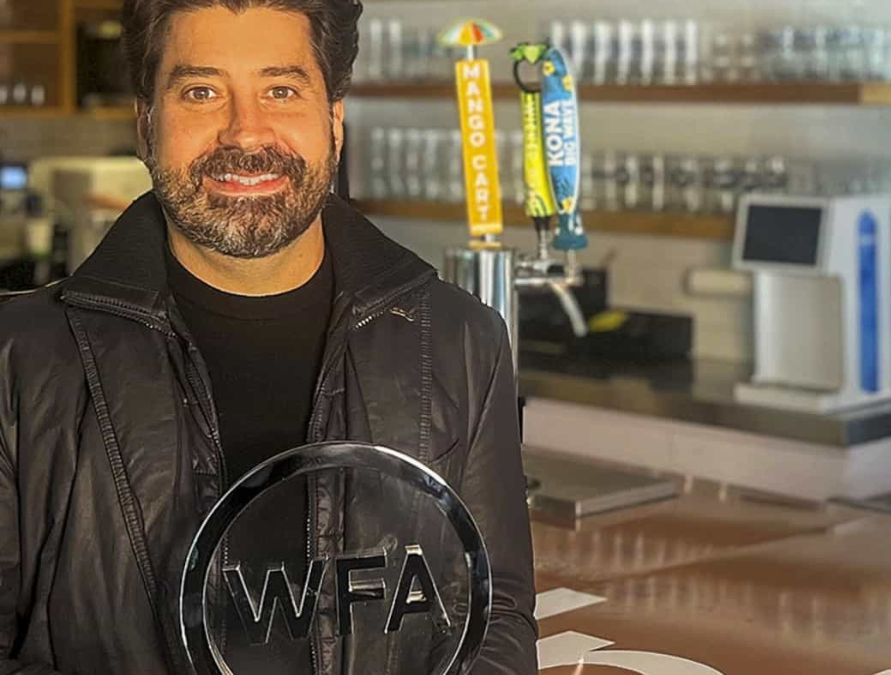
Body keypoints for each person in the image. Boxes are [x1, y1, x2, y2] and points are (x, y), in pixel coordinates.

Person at [0, 1, 537, 673]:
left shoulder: (461, 340)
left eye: (281, 90)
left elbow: (494, 615)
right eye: (201, 92)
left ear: (333, 120)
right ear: (146, 124)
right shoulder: (18, 359)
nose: (245, 132)